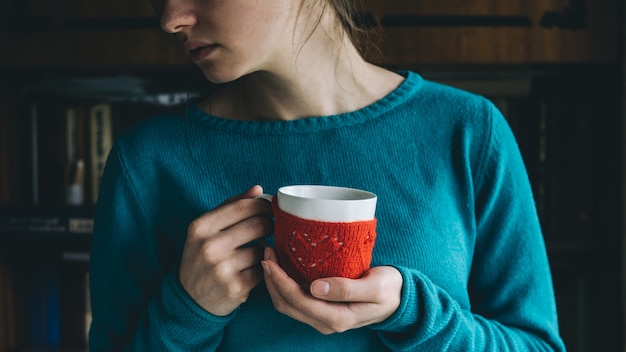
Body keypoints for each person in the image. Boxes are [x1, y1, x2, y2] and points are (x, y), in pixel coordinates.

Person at [88, 0, 566, 350]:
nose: (170, 18)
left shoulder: (467, 131)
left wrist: (414, 314)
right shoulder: (147, 160)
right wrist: (185, 311)